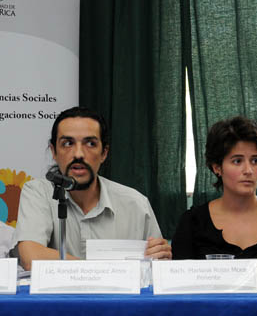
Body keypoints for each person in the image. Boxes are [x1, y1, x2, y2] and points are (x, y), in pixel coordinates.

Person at [14, 106, 171, 269]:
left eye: (90, 143)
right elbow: (31, 257)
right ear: (54, 152)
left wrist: (160, 256)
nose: (78, 154)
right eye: (68, 143)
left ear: (104, 152)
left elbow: (157, 267)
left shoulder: (136, 204)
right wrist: (102, 272)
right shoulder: (38, 192)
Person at [172, 116, 257, 271]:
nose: (248, 170)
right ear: (217, 167)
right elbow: (181, 285)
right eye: (237, 161)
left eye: (255, 161)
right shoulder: (192, 223)